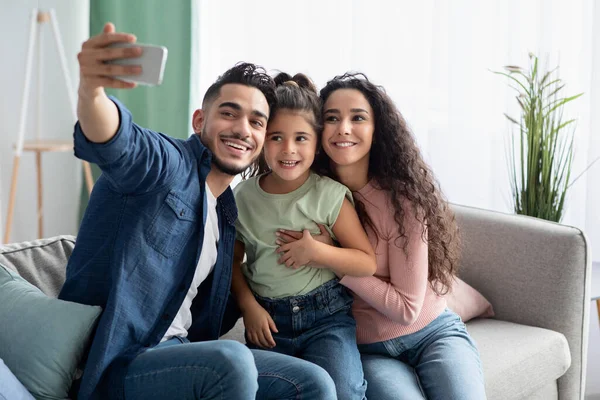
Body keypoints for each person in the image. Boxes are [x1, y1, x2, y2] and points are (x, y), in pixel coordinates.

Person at [58, 23, 336, 400]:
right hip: (117, 364)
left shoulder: (226, 212)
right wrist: (91, 91)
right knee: (232, 360)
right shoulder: (168, 165)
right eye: (229, 113)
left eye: (256, 122)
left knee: (313, 382)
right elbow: (120, 142)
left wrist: (322, 249)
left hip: (181, 355)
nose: (242, 129)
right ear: (199, 121)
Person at [279, 72, 487, 399]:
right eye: (332, 118)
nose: (343, 128)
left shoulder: (405, 202)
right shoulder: (310, 198)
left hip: (432, 332)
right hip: (368, 349)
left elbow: (406, 309)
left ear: (377, 130)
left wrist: (330, 257)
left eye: (357, 118)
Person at [231, 73, 376, 400]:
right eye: (276, 137)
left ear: (317, 142)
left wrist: (316, 252)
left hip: (326, 321)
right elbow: (231, 262)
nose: (288, 150)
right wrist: (247, 306)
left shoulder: (329, 195)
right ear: (261, 139)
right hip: (269, 323)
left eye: (301, 138)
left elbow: (365, 262)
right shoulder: (242, 198)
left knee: (345, 392)